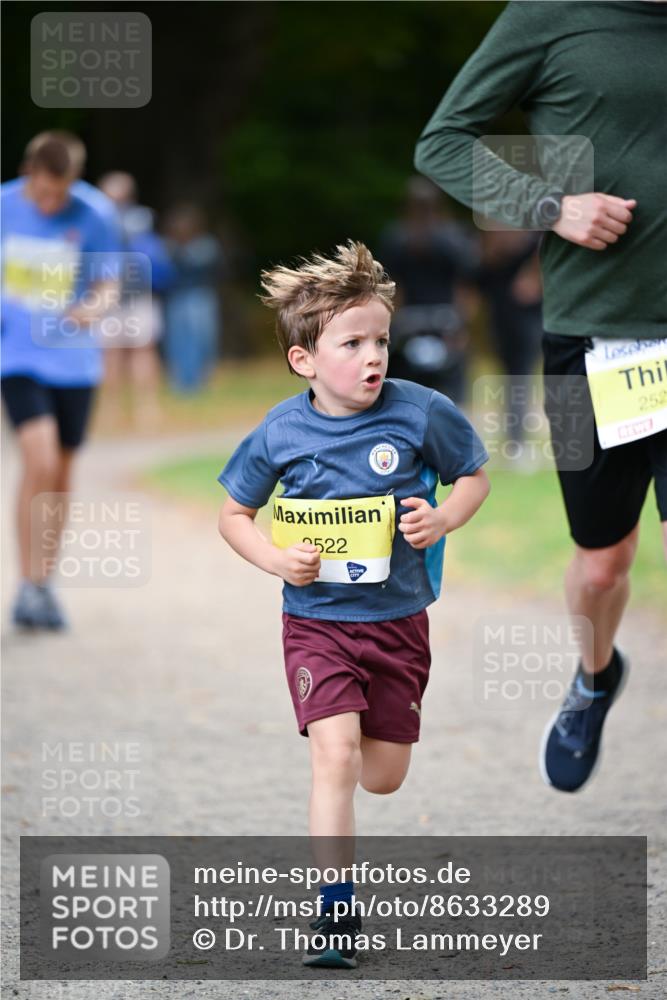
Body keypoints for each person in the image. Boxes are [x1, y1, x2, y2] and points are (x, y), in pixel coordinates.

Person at [414, 1, 667, 792]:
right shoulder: (549, 14)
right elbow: (442, 142)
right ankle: (594, 676)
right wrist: (552, 208)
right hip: (584, 341)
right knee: (600, 564)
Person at [217, 241, 489, 967]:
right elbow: (233, 516)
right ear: (304, 360)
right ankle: (334, 912)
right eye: (353, 344)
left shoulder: (419, 412)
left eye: (380, 342)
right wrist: (277, 559)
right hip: (316, 625)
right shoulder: (280, 432)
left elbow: (473, 476)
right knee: (333, 758)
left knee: (383, 775)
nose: (373, 358)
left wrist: (444, 518)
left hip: (398, 624)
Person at [1, 134, 119, 629]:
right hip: (18, 356)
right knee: (40, 459)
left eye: (62, 193)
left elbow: (109, 282)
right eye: (45, 192)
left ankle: (43, 584)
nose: (53, 203)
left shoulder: (93, 214)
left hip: (74, 362)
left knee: (63, 473)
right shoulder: (5, 206)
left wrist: (92, 308)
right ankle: (27, 584)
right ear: (30, 171)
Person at [97, 171, 173, 427]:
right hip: (110, 297)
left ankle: (146, 409)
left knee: (141, 351)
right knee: (112, 353)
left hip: (137, 295)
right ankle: (113, 409)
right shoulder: (134, 220)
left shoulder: (133, 220)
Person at [162, 203, 223, 392]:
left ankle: (201, 381)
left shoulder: (206, 245)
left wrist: (178, 253)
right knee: (177, 340)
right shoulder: (169, 247)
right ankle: (180, 383)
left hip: (200, 296)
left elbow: (197, 265)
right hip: (176, 297)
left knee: (202, 338)